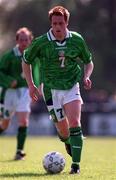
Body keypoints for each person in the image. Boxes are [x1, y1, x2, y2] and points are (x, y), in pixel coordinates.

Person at [22, 6, 94, 174]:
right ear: (51, 24)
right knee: (63, 131)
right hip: (51, 91)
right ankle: (68, 142)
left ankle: (75, 166)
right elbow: (26, 61)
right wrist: (31, 85)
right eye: (54, 23)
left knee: (75, 123)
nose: (57, 27)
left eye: (61, 23)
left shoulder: (76, 39)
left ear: (67, 22)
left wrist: (87, 76)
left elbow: (88, 61)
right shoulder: (41, 42)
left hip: (71, 86)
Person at [0, 27, 34, 160]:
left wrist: (37, 87)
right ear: (17, 40)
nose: (24, 42)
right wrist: (9, 81)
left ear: (30, 40)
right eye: (21, 40)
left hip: (24, 91)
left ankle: (19, 151)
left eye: (26, 40)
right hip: (9, 93)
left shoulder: (32, 55)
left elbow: (36, 72)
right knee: (5, 124)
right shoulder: (9, 56)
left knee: (24, 120)